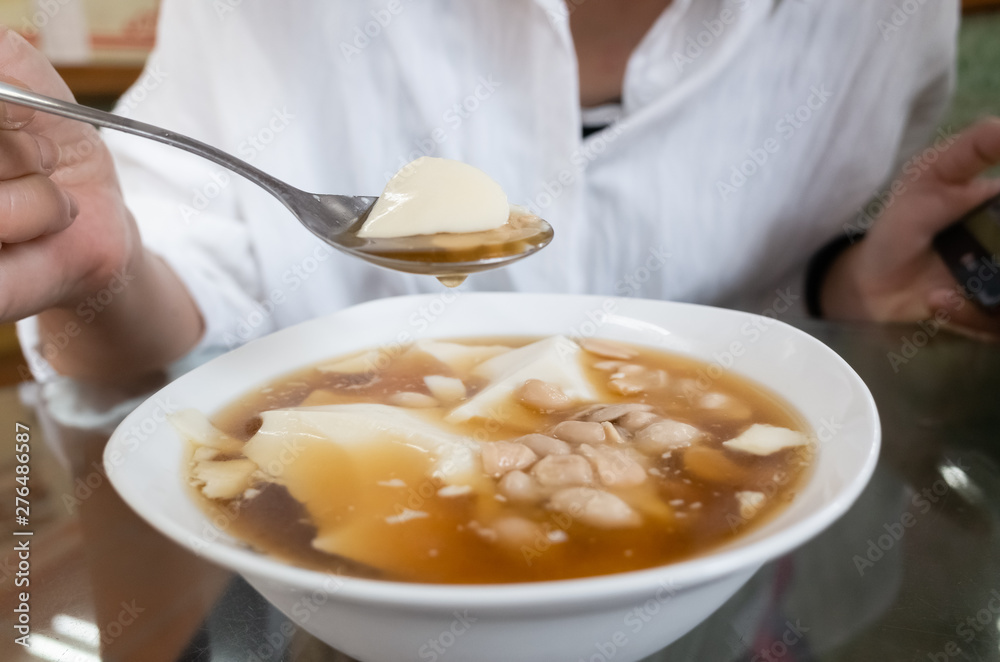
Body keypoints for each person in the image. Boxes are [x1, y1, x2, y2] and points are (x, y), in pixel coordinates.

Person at [4, 0, 999, 388]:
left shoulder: (884, 17)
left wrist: (856, 292)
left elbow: (786, 285)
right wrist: (103, 267)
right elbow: (162, 312)